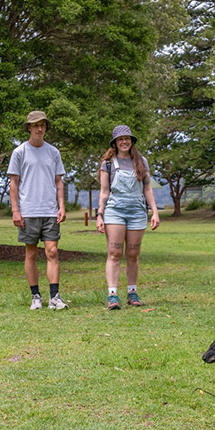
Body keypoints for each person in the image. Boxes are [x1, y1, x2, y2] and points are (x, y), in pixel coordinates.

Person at [8, 110, 68, 310]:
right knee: (31, 254)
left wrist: (62, 206)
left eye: (42, 125)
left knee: (52, 251)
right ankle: (36, 296)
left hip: (50, 211)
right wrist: (16, 211)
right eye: (36, 125)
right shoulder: (20, 152)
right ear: (29, 128)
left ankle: (55, 297)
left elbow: (59, 182)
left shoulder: (53, 152)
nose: (40, 129)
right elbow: (13, 184)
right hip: (28, 211)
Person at [95, 125, 160, 310]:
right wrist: (100, 215)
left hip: (137, 212)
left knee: (133, 254)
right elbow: (104, 191)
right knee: (114, 253)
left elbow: (148, 188)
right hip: (114, 211)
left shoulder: (141, 162)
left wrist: (154, 212)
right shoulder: (107, 164)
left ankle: (132, 292)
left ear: (131, 141)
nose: (124, 142)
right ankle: (112, 295)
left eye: (127, 138)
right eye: (120, 139)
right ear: (115, 143)